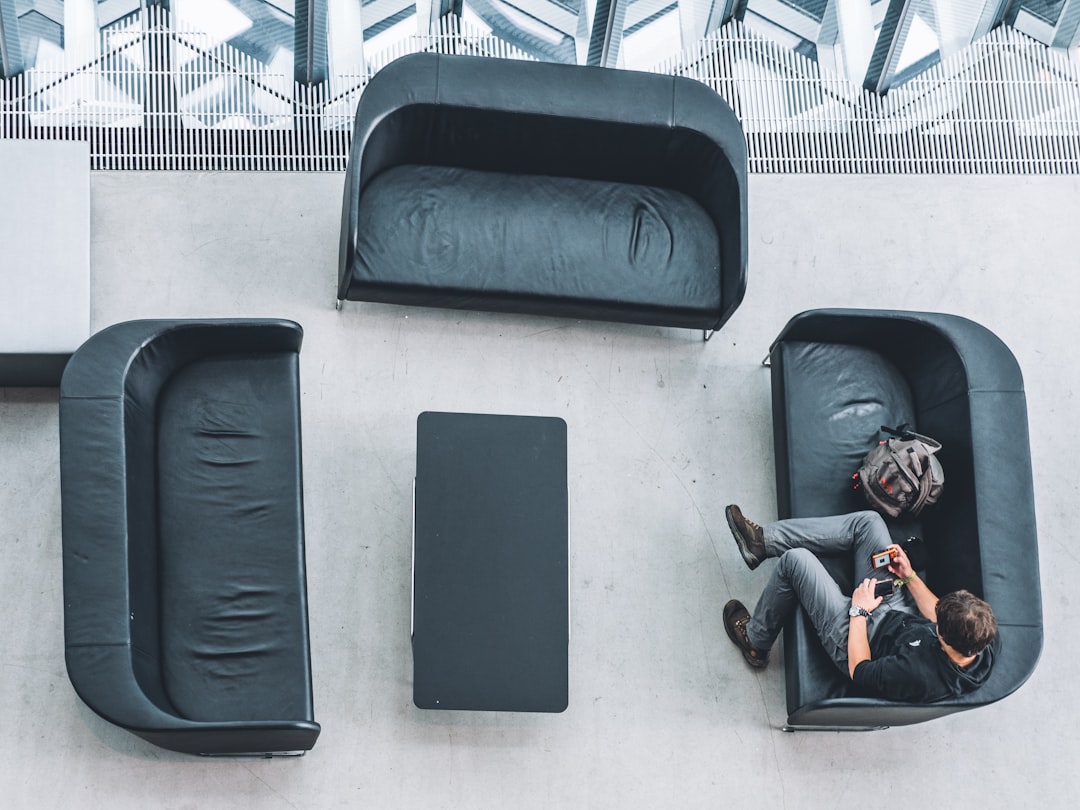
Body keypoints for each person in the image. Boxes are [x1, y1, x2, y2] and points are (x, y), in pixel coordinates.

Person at [721, 505, 996, 702]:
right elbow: (937, 614)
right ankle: (760, 543)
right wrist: (908, 574)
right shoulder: (982, 635)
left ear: (946, 639)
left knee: (796, 561)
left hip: (859, 639)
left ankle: (756, 643)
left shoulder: (918, 675)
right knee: (869, 522)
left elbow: (859, 669)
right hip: (897, 612)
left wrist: (859, 611)